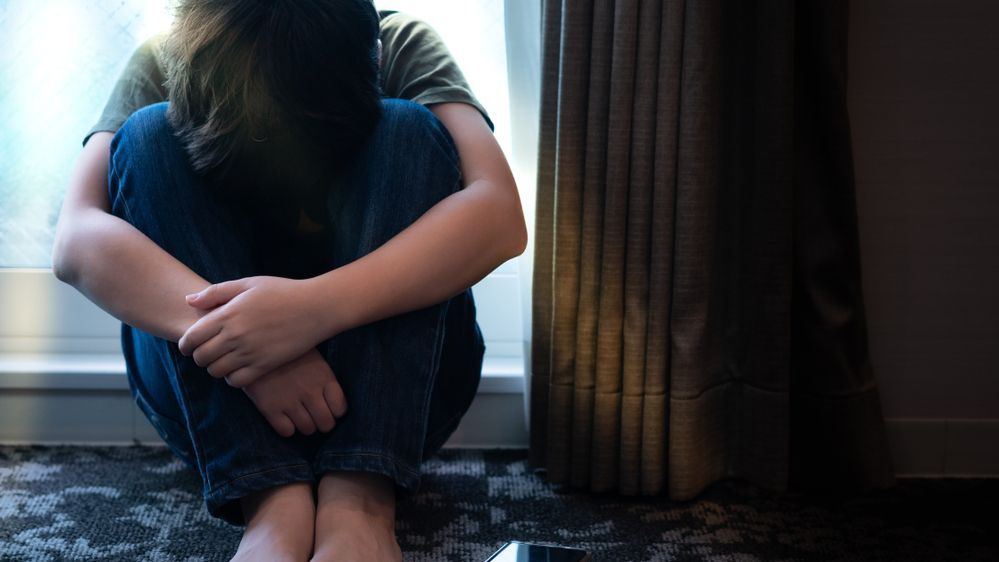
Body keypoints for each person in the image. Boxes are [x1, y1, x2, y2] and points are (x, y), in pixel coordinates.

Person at [51, 1, 527, 560]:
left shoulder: (396, 44)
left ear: (370, 61)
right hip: (224, 406)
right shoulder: (175, 53)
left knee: (408, 126)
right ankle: (270, 501)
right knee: (148, 133)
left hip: (396, 398)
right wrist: (252, 348)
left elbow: (500, 216)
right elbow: (76, 239)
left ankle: (361, 501)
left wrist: (310, 310)